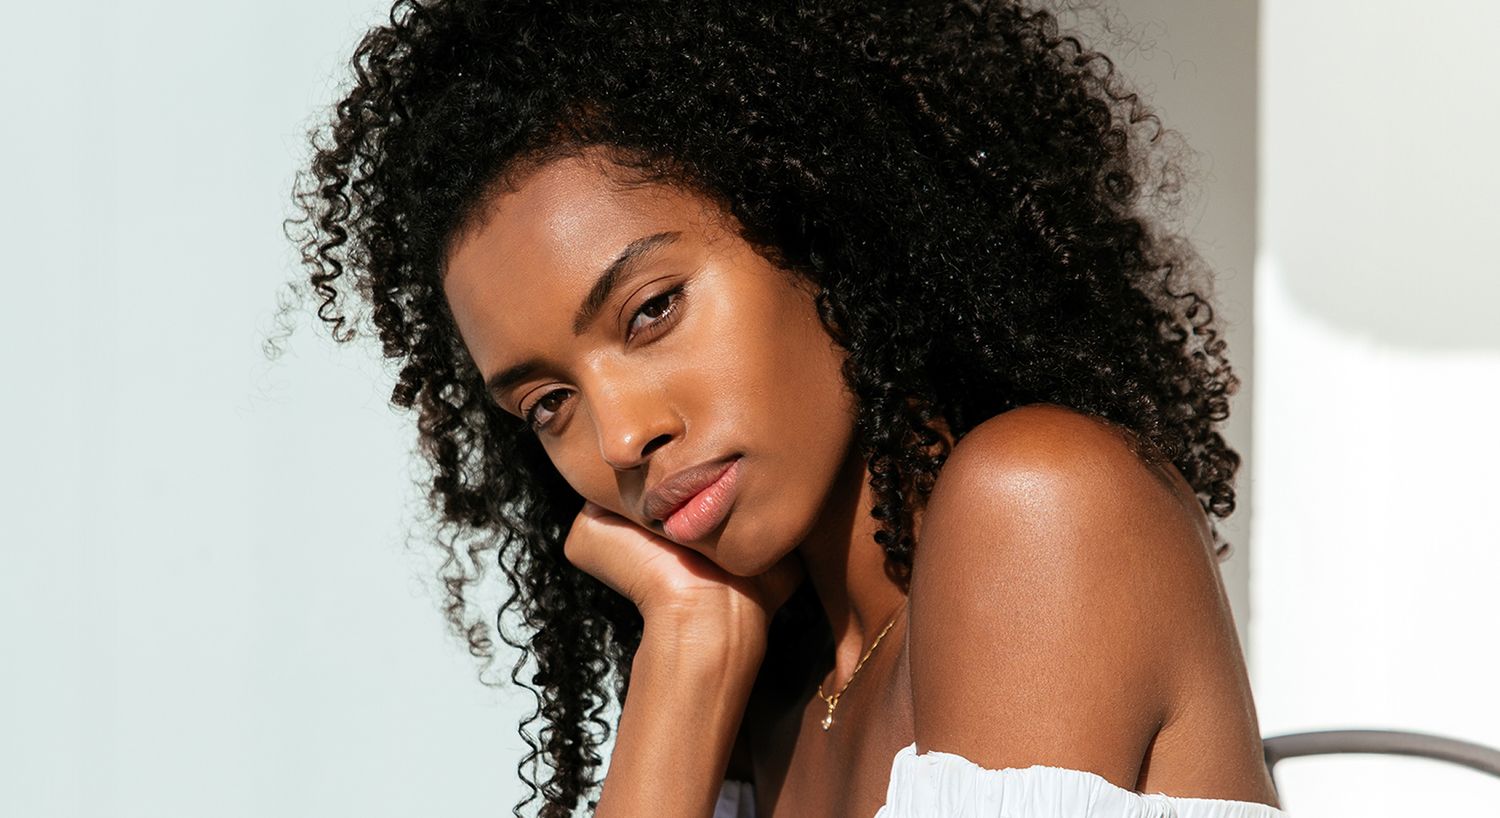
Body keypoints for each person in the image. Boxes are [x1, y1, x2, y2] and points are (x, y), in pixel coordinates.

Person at [288, 1, 1286, 815]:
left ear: (819, 222)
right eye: (550, 402)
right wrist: (686, 651)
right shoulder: (774, 688)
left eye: (652, 310)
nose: (622, 435)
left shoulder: (1037, 504)